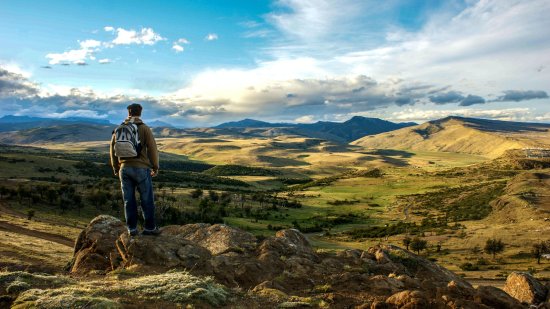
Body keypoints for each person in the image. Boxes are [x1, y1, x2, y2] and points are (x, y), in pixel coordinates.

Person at [110, 103, 160, 236]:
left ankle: (131, 229)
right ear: (140, 112)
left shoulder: (119, 128)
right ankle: (149, 228)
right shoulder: (144, 128)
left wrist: (116, 167)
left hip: (124, 169)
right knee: (146, 199)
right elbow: (152, 149)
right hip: (141, 169)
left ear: (128, 112)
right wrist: (155, 166)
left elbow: (112, 149)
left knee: (128, 200)